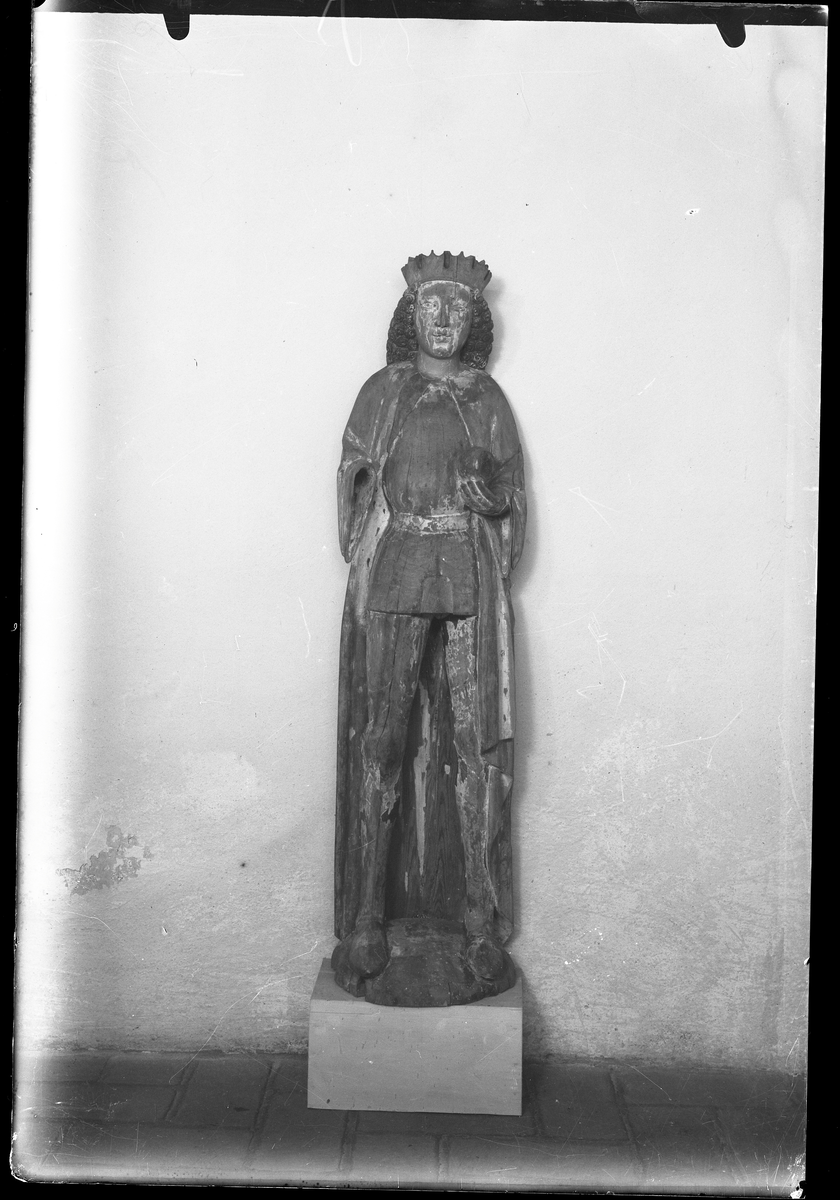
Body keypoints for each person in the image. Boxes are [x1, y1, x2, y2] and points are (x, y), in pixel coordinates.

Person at [332, 252, 526, 1000]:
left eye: (456, 307)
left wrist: (492, 494)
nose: (443, 319)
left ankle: (477, 919)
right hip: (399, 560)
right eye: (431, 306)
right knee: (382, 740)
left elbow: (512, 496)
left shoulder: (487, 398)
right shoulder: (383, 392)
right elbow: (353, 472)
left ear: (473, 321)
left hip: (468, 567)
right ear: (410, 317)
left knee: (476, 745)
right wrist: (363, 480)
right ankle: (368, 917)